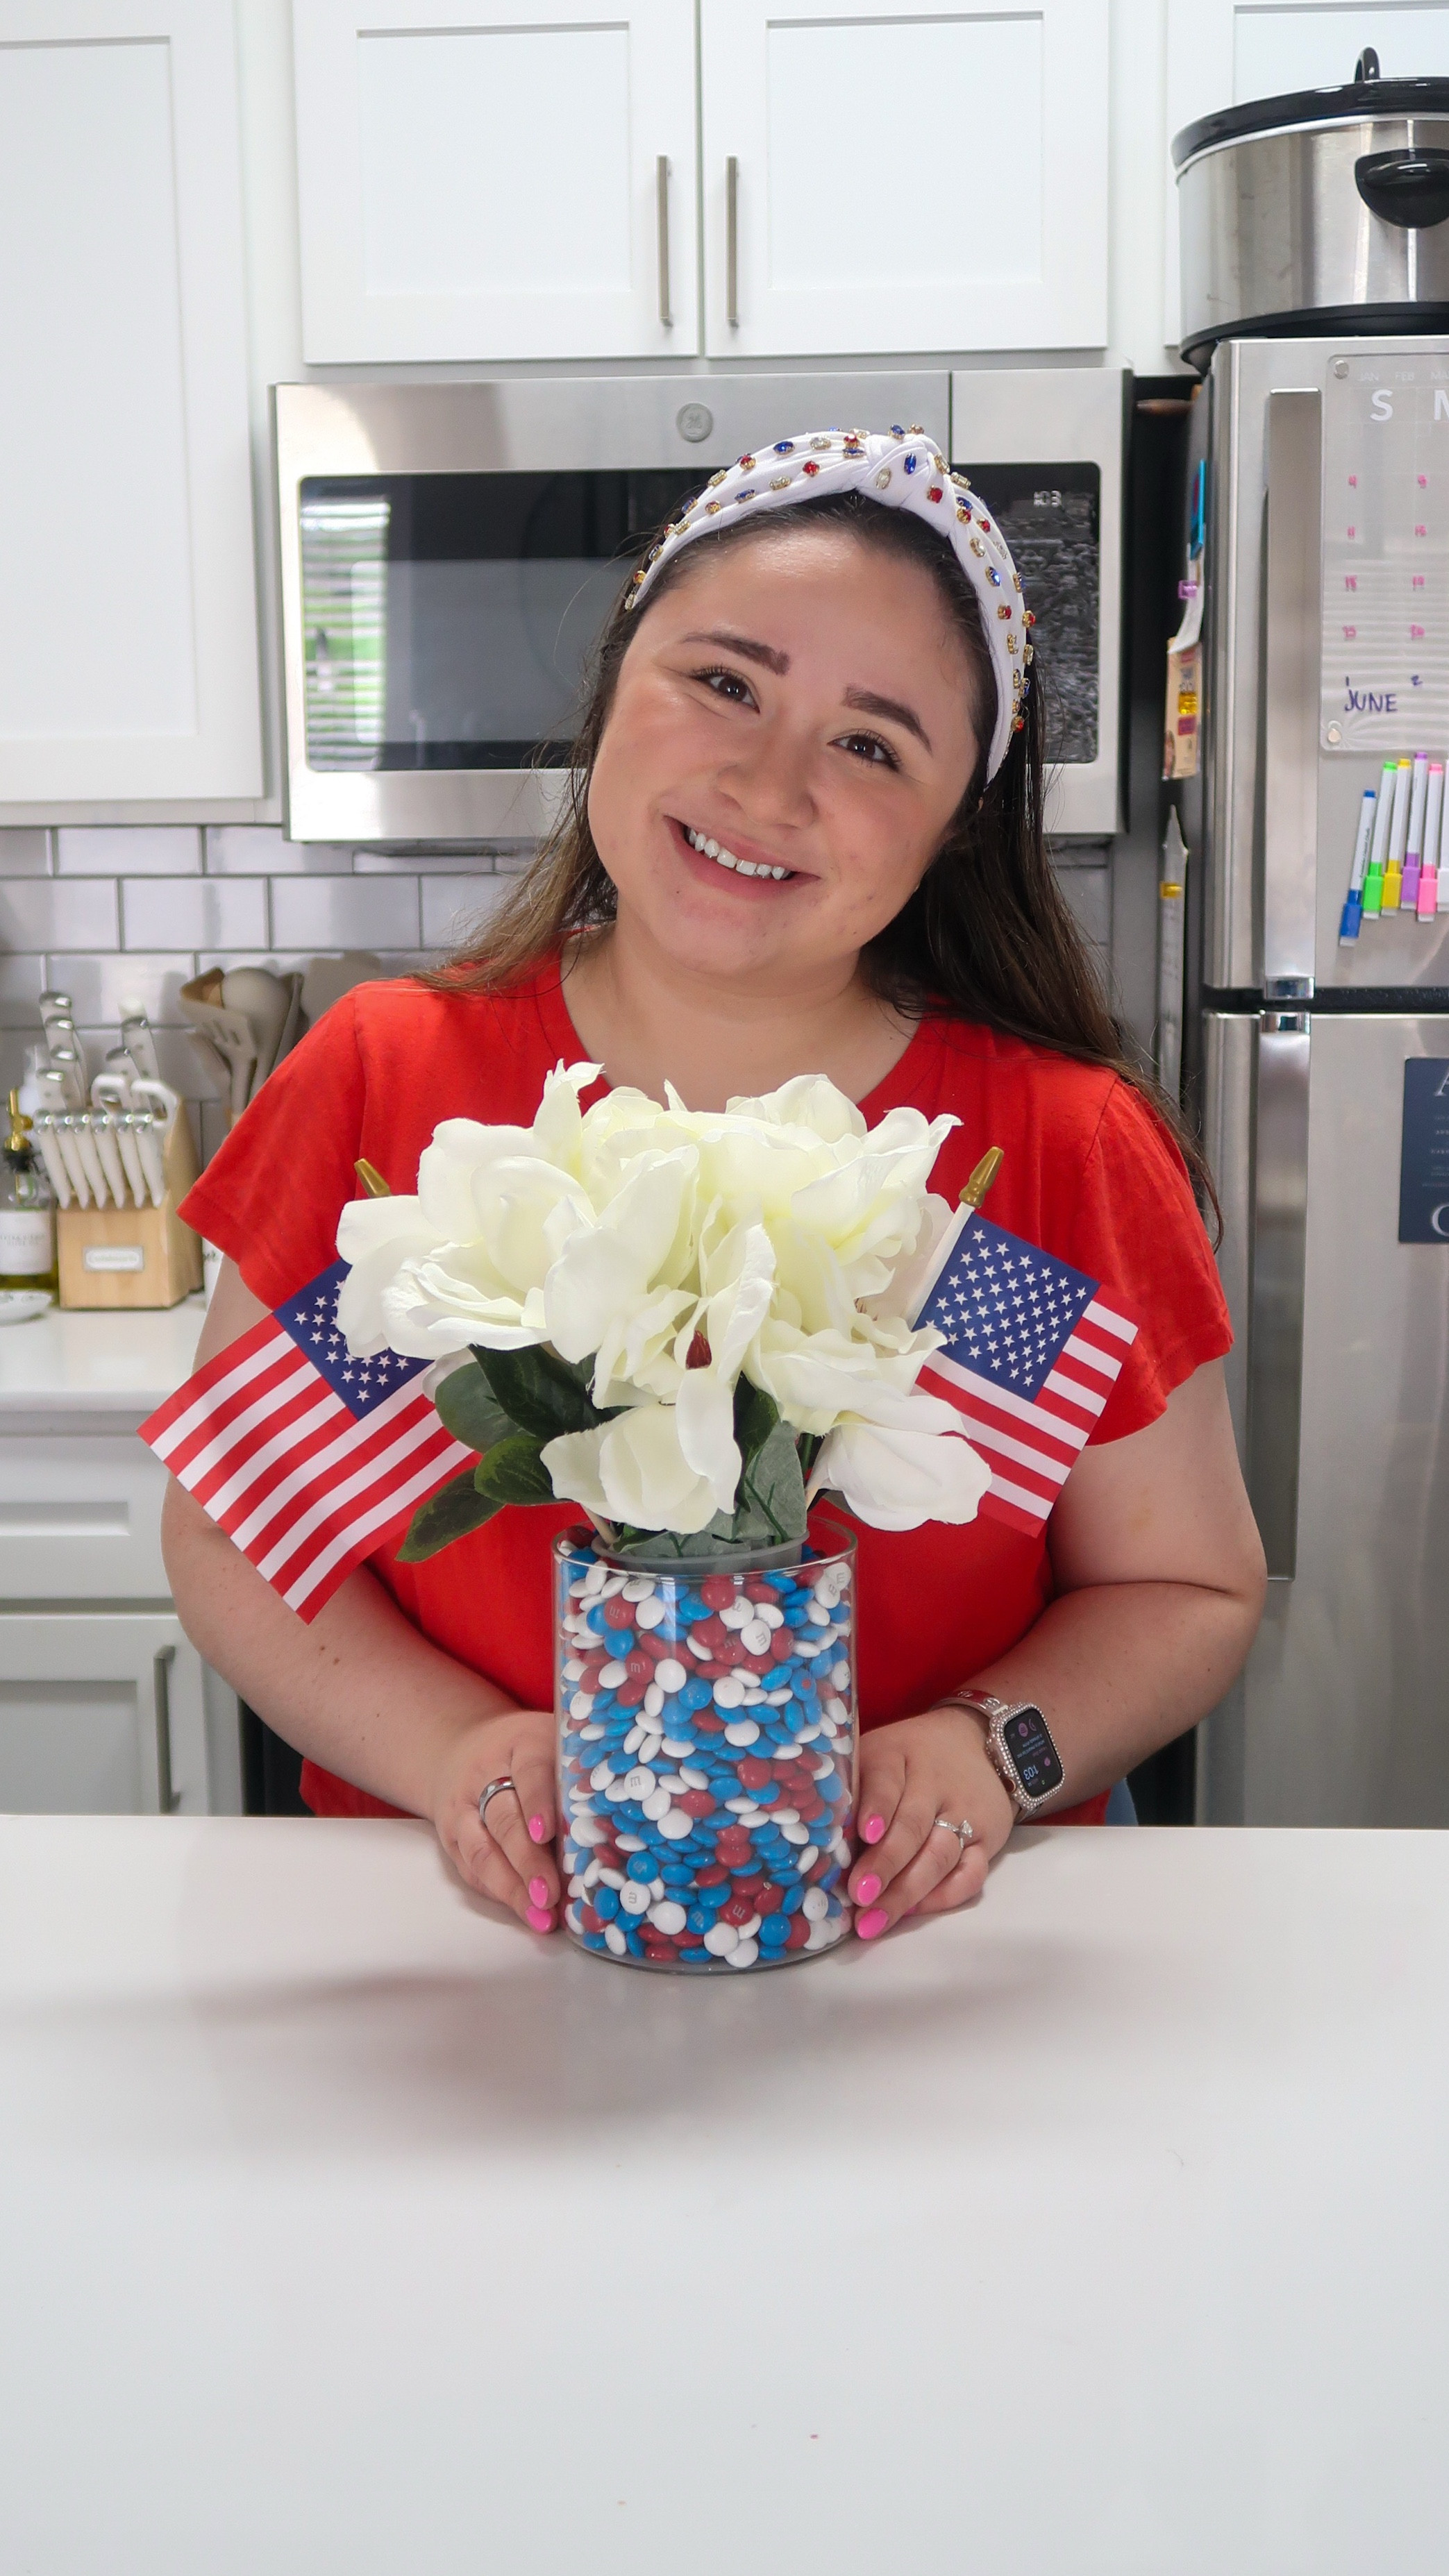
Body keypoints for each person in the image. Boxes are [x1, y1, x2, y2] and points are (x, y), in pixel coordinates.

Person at [165, 424, 1266, 1949]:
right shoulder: (392, 1101)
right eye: (725, 681)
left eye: (874, 743)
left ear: (958, 822)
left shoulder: (1029, 1167)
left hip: (928, 1954)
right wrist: (448, 1752)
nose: (768, 779)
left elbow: (1181, 1584)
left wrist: (994, 1746)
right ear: (619, 678)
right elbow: (240, 1523)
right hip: (460, 1948)